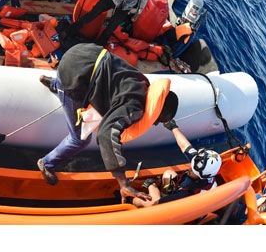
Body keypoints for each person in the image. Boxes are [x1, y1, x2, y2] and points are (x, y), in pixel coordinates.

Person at [36, 43, 178, 203]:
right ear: (156, 111)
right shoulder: (135, 108)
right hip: (74, 75)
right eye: (157, 120)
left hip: (80, 53)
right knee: (80, 139)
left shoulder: (142, 82)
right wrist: (124, 183)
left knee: (91, 88)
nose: (154, 124)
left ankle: (54, 84)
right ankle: (47, 163)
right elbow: (106, 133)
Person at [132, 119, 223, 208]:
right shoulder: (204, 168)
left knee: (136, 201)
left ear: (199, 176)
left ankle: (136, 200)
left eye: (192, 170)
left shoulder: (187, 194)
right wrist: (173, 127)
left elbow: (157, 205)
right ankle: (163, 194)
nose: (190, 168)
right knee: (168, 174)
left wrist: (152, 187)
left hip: (178, 207)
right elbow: (185, 146)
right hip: (180, 191)